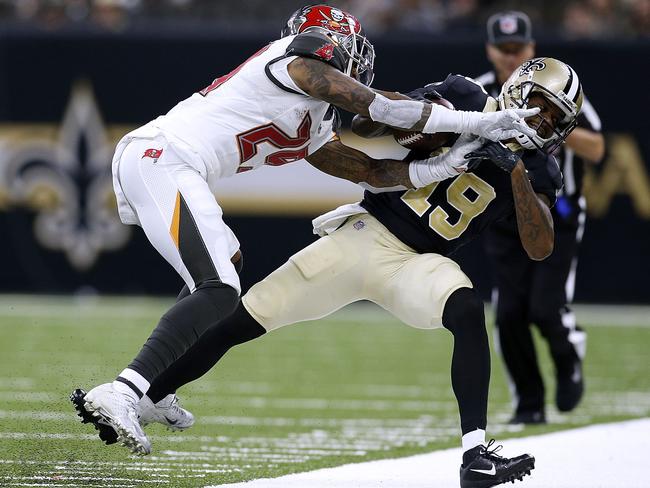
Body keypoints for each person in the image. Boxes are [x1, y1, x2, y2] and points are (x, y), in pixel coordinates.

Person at [90, 57, 584, 487]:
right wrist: (451, 123)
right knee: (242, 319)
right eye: (538, 106)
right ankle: (140, 397)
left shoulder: (541, 168)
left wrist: (514, 168)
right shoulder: (464, 94)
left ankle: (475, 454)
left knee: (467, 308)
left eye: (554, 117)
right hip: (364, 236)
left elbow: (539, 245)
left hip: (420, 265)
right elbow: (371, 124)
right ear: (517, 89)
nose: (542, 122)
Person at [475, 11, 606, 424]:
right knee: (509, 313)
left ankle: (569, 358)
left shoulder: (556, 87)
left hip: (557, 208)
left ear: (533, 49)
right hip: (502, 214)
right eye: (504, 49)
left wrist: (546, 126)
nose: (511, 57)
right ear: (490, 50)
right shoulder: (480, 91)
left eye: (519, 49)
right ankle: (529, 404)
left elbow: (597, 147)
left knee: (545, 308)